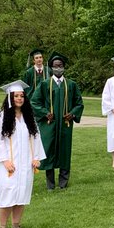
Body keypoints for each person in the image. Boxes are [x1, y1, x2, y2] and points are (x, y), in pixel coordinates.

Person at [0, 80, 46, 228]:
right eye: (16, 96)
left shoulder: (29, 118)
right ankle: (2, 227)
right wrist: (5, 161)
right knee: (7, 192)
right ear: (10, 98)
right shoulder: (2, 118)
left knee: (22, 193)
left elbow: (36, 138)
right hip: (8, 164)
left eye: (22, 96)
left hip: (25, 163)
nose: (19, 98)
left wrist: (36, 158)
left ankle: (16, 224)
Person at [30, 52, 84, 190]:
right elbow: (34, 102)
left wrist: (72, 114)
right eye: (55, 66)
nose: (58, 68)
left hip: (65, 125)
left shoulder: (71, 85)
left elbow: (79, 103)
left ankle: (63, 183)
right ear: (51, 68)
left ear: (64, 67)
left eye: (60, 66)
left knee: (65, 151)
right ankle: (50, 183)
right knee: (48, 151)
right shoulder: (44, 84)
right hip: (49, 125)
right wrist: (45, 113)